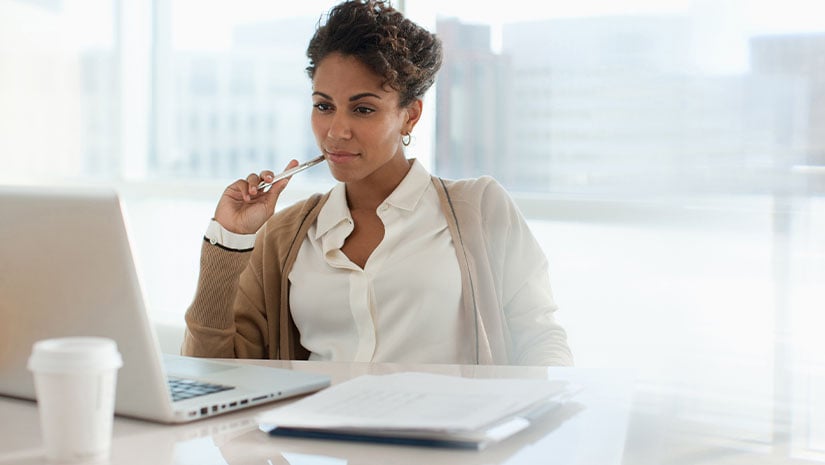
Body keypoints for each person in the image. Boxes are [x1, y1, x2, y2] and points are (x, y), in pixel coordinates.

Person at [182, 0, 573, 366]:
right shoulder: (285, 236)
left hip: (444, 436)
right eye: (323, 106)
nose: (336, 131)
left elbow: (540, 339)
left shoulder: (480, 208)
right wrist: (229, 240)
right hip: (316, 437)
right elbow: (214, 374)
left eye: (363, 109)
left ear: (410, 115)